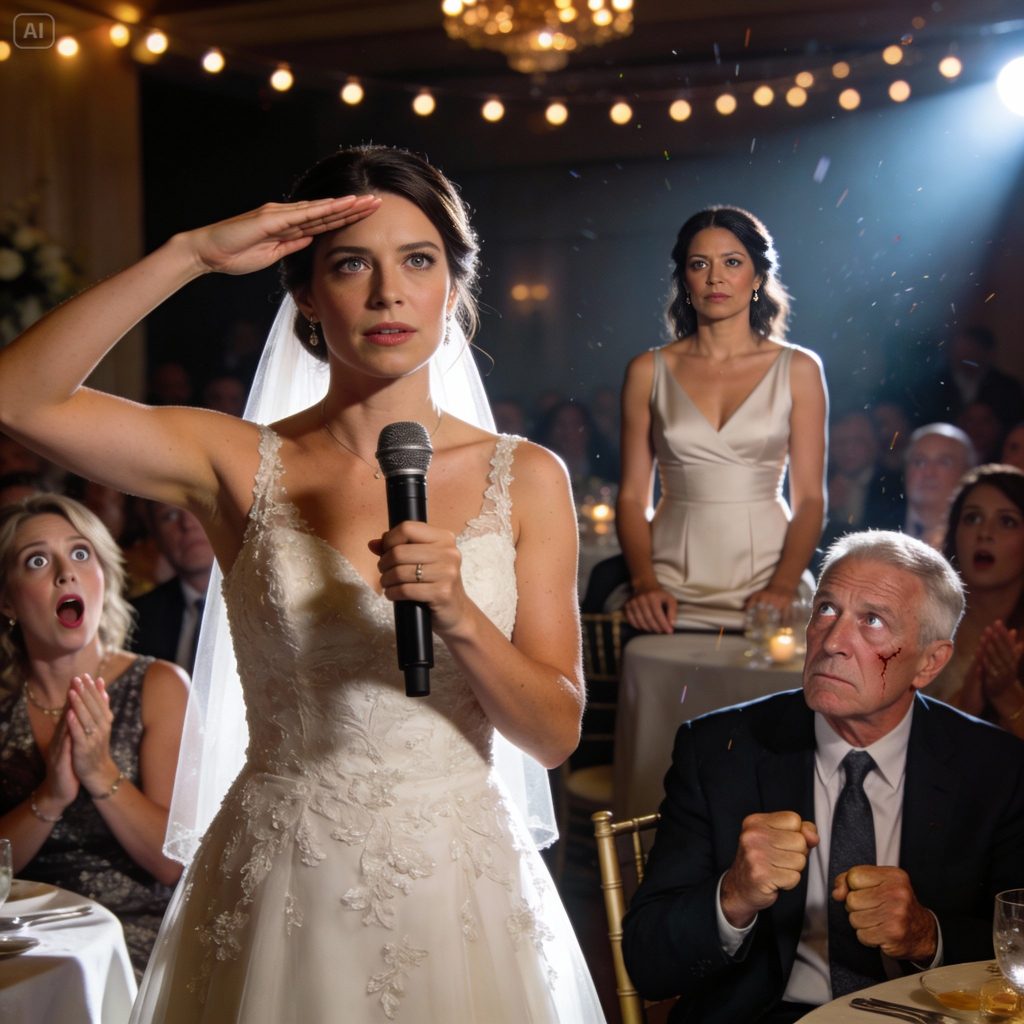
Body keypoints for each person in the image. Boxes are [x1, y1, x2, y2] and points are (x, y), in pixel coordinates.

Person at [0, 145, 604, 1022]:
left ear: (452, 289)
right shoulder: (236, 462)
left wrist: (460, 615)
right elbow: (19, 397)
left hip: (458, 883)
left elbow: (553, 736)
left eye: (418, 261)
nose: (389, 293)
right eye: (352, 265)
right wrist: (192, 255)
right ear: (308, 296)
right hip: (285, 876)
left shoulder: (529, 477)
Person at [621, 530, 1024, 1024]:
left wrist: (927, 936)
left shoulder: (996, 768)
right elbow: (647, 963)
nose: (833, 642)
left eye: (872, 621)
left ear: (930, 661)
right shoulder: (720, 750)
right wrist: (734, 895)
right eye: (827, 610)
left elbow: (1018, 947)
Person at [614, 205, 827, 633]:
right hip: (668, 586)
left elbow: (810, 500)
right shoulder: (647, 371)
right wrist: (645, 583)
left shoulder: (799, 369)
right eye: (699, 264)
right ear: (684, 279)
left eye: (732, 262)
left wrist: (783, 586)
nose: (715, 278)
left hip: (769, 583)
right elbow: (632, 497)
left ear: (758, 276)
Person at [0, 494, 188, 976]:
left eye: (80, 553)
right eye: (37, 560)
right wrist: (51, 796)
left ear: (103, 575)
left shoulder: (159, 686)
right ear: (7, 600)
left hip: (132, 947)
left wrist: (99, 771)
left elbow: (173, 864)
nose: (66, 573)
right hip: (19, 942)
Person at [926, 465, 1024, 737]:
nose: (985, 533)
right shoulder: (924, 626)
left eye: (1007, 522)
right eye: (972, 518)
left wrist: (1006, 695)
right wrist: (966, 707)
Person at [130, 501, 216, 675]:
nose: (187, 524)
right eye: (170, 515)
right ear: (155, 536)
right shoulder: (136, 621)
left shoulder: (264, 602)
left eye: (199, 508)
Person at [901, 423, 976, 549]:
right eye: (919, 462)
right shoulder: (875, 519)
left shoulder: (975, 534)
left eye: (944, 462)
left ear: (967, 472)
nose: (929, 473)